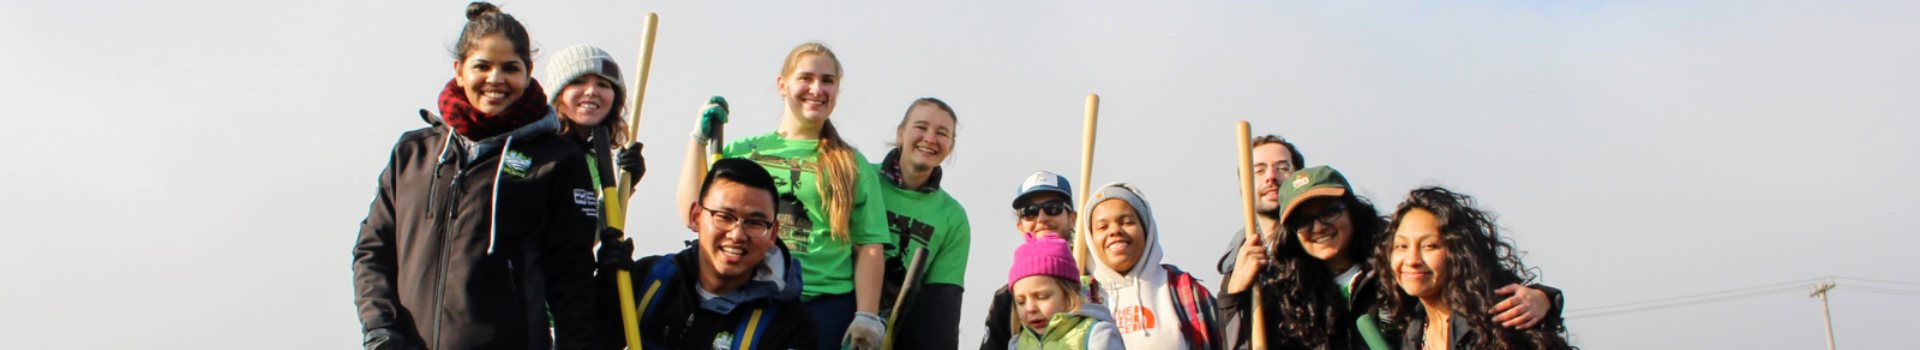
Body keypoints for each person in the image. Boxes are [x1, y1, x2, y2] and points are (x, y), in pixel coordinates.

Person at [352, 2, 599, 349]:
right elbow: (372, 252)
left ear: (528, 72)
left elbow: (572, 281)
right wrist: (381, 330)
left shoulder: (557, 160)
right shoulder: (413, 154)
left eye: (510, 68)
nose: (495, 79)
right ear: (459, 70)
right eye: (482, 66)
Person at [672, 42, 891, 350]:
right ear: (782, 84)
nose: (817, 89)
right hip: (750, 297)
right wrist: (697, 140)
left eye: (827, 80)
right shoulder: (744, 152)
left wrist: (866, 315)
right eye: (806, 78)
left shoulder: (852, 164)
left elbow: (869, 244)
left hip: (825, 308)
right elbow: (691, 215)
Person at [1218, 166, 1563, 349]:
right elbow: (1235, 341)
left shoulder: (1397, 276)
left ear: (1352, 212)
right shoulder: (1287, 296)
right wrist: (1232, 293)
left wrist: (1544, 298)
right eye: (1304, 221)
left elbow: (1481, 288)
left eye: (1330, 212)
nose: (1319, 226)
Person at [596, 158, 818, 350]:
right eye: (724, 216)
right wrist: (604, 289)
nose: (737, 235)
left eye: (755, 223)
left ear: (773, 232)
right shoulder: (648, 282)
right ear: (695, 216)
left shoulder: (789, 325)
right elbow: (589, 342)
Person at [1376, 187, 1572, 350]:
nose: (1412, 260)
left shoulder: (1500, 322)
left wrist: (1545, 298)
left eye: (1430, 246)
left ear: (1459, 252)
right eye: (1401, 246)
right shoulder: (1408, 328)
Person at [871, 98, 969, 349]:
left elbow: (940, 308)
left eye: (942, 133)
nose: (930, 138)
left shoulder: (952, 217)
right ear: (900, 133)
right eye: (921, 127)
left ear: (951, 145)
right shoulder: (862, 179)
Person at [1081, 183, 1224, 350]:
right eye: (1102, 227)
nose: (1114, 231)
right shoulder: (1081, 298)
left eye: (1127, 222)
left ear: (1146, 229)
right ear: (1090, 238)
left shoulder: (1184, 290)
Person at [979, 171, 1077, 350]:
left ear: (1072, 218)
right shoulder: (1007, 298)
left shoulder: (1097, 281)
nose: (1041, 219)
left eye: (1053, 208)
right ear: (1020, 227)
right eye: (1029, 212)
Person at [543, 44, 645, 196]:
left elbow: (595, 219)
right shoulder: (541, 151)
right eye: (578, 81)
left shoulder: (593, 159)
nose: (591, 91)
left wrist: (626, 185)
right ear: (557, 95)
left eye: (603, 84)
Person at [1006, 232, 1125, 350]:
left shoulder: (1096, 335)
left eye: (1042, 296)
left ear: (1069, 293)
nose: (1030, 308)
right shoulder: (1018, 344)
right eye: (1021, 301)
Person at [1216, 134, 1304, 284]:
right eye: (1259, 171)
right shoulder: (1239, 255)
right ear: (1243, 191)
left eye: (1282, 168)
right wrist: (1235, 291)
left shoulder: (1318, 240)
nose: (1271, 176)